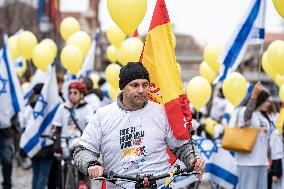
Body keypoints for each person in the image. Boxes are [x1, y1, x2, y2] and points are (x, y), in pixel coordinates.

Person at [73, 62, 206, 189]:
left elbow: (182, 145)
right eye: (135, 85)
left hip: (160, 185)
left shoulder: (162, 112)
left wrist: (194, 159)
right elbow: (83, 150)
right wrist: (92, 164)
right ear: (123, 87)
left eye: (145, 84)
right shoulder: (102, 116)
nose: (141, 90)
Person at [52, 80, 93, 189]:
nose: (72, 95)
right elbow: (56, 125)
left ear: (81, 94)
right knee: (62, 169)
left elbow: (91, 125)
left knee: (82, 162)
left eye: (75, 93)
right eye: (70, 93)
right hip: (64, 141)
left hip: (81, 142)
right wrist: (55, 141)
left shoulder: (87, 107)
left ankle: (82, 182)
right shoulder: (63, 107)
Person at [235, 82, 272, 189]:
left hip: (262, 162)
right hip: (247, 163)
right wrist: (254, 96)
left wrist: (269, 158)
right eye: (266, 101)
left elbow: (267, 140)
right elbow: (247, 115)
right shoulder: (244, 112)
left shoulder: (264, 117)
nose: (268, 104)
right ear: (260, 100)